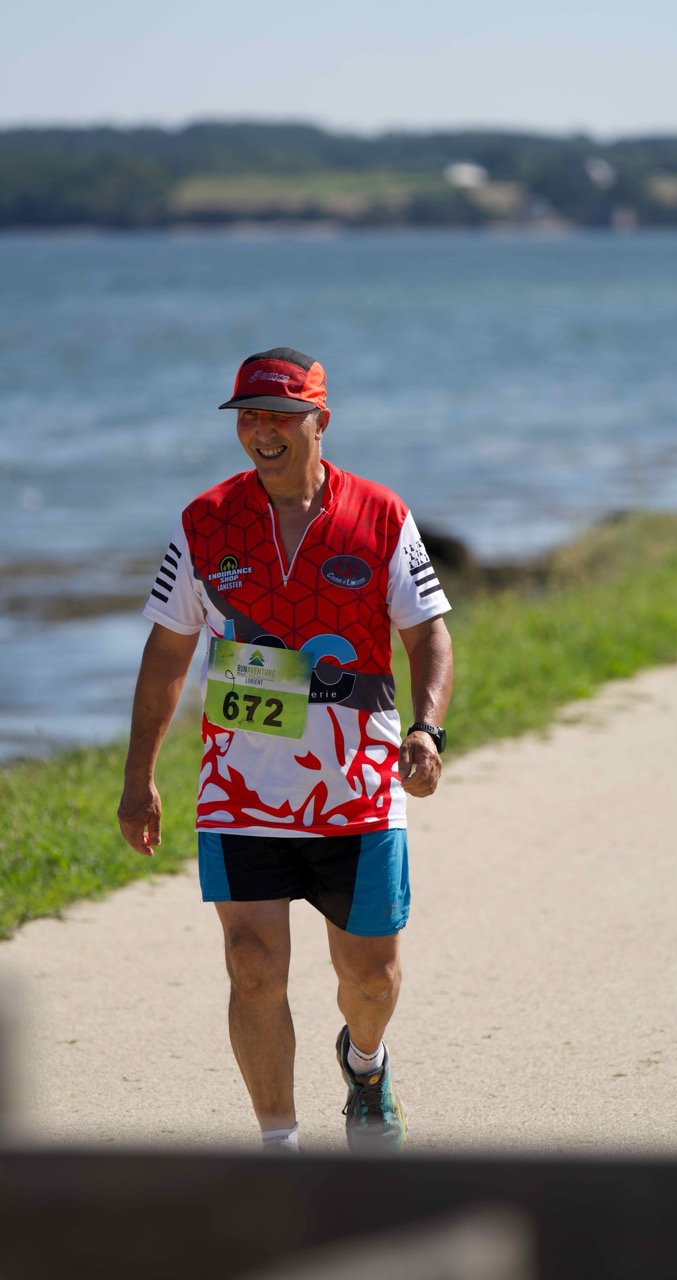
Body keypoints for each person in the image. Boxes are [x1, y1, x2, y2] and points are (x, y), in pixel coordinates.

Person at [117, 347, 453, 1153]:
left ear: (319, 421)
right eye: (248, 416)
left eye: (280, 415)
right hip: (241, 791)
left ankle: (365, 1065)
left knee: (371, 978)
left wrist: (426, 727)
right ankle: (281, 1151)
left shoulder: (381, 515)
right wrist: (138, 778)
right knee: (251, 965)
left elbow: (428, 635)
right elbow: (166, 655)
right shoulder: (204, 522)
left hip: (357, 788)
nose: (262, 431)